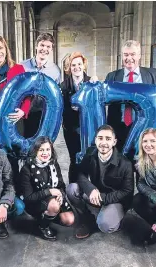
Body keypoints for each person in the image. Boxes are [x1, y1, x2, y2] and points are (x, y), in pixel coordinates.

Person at [105, 40, 156, 156]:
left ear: (139, 56)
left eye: (133, 54)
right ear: (122, 56)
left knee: (142, 165)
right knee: (120, 166)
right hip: (118, 127)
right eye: (126, 55)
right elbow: (102, 95)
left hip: (145, 131)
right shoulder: (112, 76)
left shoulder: (153, 74)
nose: (129, 58)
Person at [66, 124, 134, 239]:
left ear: (114, 142)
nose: (103, 142)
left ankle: (112, 217)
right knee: (72, 189)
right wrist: (91, 189)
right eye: (100, 138)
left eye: (108, 139)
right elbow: (81, 174)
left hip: (114, 200)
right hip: (96, 194)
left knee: (105, 226)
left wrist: (103, 198)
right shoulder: (90, 154)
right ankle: (88, 218)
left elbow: (127, 191)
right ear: (96, 140)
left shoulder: (125, 164)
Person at [20, 136, 74, 241]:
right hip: (35, 201)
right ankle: (43, 225)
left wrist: (61, 195)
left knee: (69, 220)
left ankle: (47, 215)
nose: (45, 153)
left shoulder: (53, 163)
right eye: (41, 150)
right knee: (54, 206)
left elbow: (61, 185)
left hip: (53, 197)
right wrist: (49, 191)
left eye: (48, 149)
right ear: (35, 151)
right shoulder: (27, 168)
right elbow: (28, 197)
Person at [20, 33, 61, 138]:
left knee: (43, 144)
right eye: (42, 45)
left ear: (51, 49)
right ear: (36, 46)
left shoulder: (55, 71)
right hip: (24, 113)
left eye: (48, 46)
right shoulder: (22, 66)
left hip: (44, 113)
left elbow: (56, 95)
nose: (44, 49)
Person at [61, 52, 91, 184]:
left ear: (84, 65)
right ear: (69, 67)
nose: (76, 67)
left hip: (88, 128)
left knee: (89, 158)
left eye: (79, 64)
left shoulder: (92, 82)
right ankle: (73, 188)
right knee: (74, 158)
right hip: (71, 129)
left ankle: (87, 187)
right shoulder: (63, 86)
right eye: (73, 65)